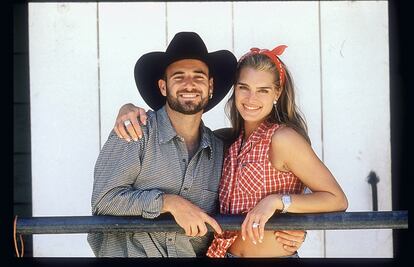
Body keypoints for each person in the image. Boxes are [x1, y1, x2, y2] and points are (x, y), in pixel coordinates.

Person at [112, 42, 348, 258]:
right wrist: (127, 107)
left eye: (263, 90)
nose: (251, 98)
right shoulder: (227, 142)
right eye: (244, 87)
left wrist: (278, 203)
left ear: (277, 93)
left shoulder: (283, 138)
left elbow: (336, 199)